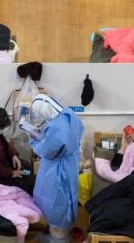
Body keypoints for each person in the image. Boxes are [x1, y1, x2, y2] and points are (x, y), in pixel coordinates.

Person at [25, 94, 84, 243]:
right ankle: (63, 232)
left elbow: (49, 150)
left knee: (57, 204)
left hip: (57, 169)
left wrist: (33, 139)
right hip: (69, 164)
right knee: (68, 202)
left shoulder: (57, 125)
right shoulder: (69, 114)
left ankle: (57, 237)